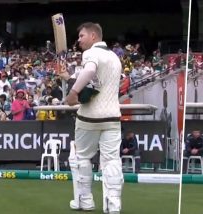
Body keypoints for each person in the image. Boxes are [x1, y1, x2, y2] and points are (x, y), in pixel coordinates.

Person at [60, 22, 123, 213]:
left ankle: (85, 200)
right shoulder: (114, 57)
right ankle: (113, 204)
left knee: (81, 157)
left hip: (89, 117)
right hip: (112, 116)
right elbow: (97, 85)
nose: (78, 40)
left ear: (94, 36)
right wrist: (67, 77)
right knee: (112, 160)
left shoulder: (90, 54)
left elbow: (89, 73)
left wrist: (72, 93)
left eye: (82, 36)